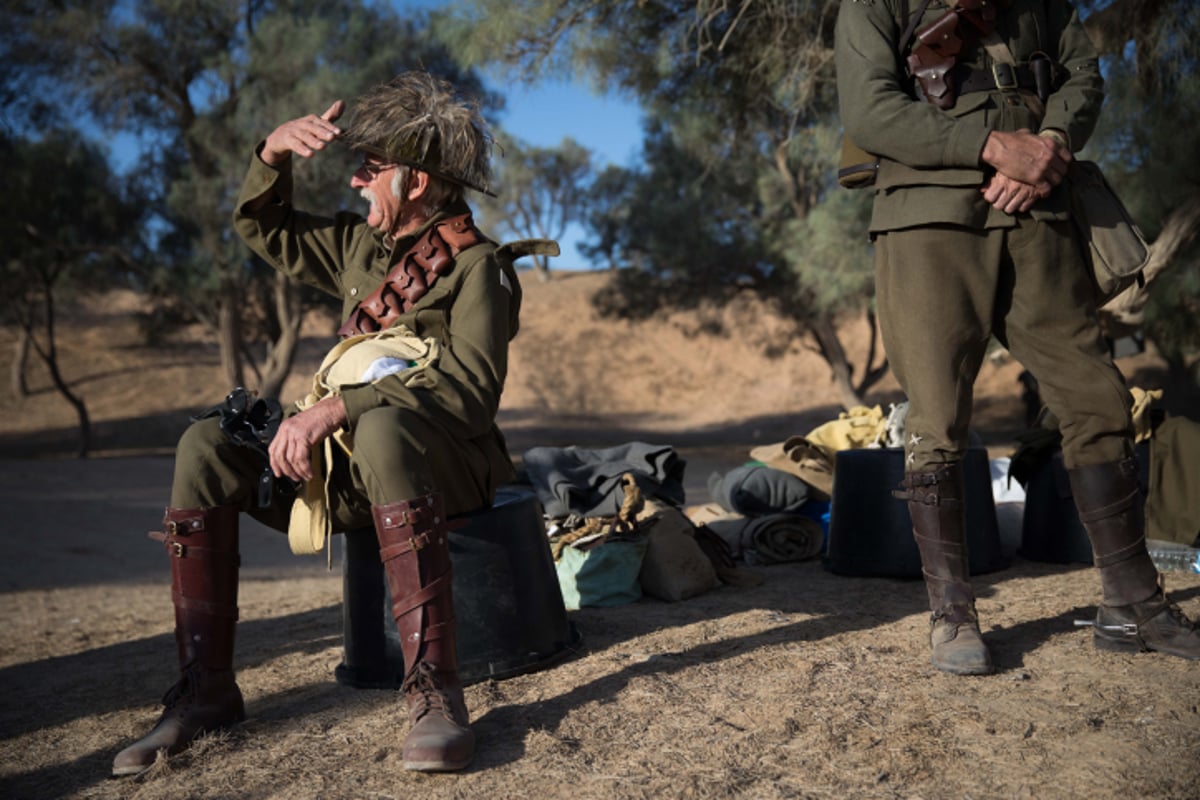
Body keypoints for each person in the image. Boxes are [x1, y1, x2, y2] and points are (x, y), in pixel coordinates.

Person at [113, 71, 533, 775]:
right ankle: (205, 690)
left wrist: (339, 408)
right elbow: (262, 226)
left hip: (440, 472)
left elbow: (469, 394)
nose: (355, 183)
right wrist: (271, 155)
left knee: (380, 426)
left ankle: (435, 691)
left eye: (371, 170)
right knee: (205, 445)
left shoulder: (479, 270)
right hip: (352, 473)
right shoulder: (357, 249)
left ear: (418, 181)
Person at [834, 0, 1199, 674]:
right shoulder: (874, 5)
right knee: (938, 416)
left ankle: (1133, 603)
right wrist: (996, 147)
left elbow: (1082, 73)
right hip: (929, 216)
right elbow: (871, 111)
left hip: (1041, 209)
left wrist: (1052, 146)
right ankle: (952, 617)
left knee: (1098, 400)